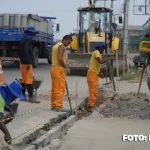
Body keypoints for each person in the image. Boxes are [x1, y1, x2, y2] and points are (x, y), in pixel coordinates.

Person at [87, 42, 113, 112]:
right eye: (104, 48)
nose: (104, 49)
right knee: (93, 91)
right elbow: (100, 62)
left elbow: (95, 66)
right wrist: (109, 59)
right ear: (101, 47)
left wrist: (100, 73)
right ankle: (90, 106)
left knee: (94, 91)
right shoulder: (96, 52)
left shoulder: (98, 54)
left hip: (94, 74)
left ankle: (91, 105)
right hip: (92, 74)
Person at [50, 35, 72, 112]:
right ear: (66, 39)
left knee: (54, 88)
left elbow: (50, 56)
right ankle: (58, 106)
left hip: (53, 68)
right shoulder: (61, 46)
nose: (68, 45)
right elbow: (60, 58)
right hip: (58, 69)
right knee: (60, 88)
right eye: (68, 42)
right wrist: (66, 67)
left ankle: (54, 105)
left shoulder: (55, 45)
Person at [19, 27, 40, 103]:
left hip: (22, 63)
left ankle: (22, 96)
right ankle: (31, 97)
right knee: (29, 80)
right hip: (27, 63)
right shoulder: (27, 40)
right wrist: (28, 62)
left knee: (24, 80)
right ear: (30, 33)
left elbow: (22, 52)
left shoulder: (23, 39)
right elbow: (26, 51)